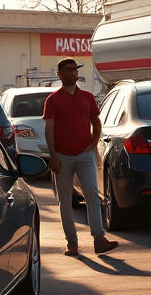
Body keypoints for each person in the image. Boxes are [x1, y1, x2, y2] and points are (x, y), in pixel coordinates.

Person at [43, 58, 119, 256]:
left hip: (85, 155)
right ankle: (72, 242)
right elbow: (49, 130)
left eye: (74, 70)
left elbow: (96, 121)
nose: (72, 73)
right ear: (59, 74)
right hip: (61, 157)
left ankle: (99, 239)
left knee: (93, 196)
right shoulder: (53, 100)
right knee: (65, 199)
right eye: (67, 70)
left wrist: (93, 143)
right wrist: (53, 156)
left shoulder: (87, 97)